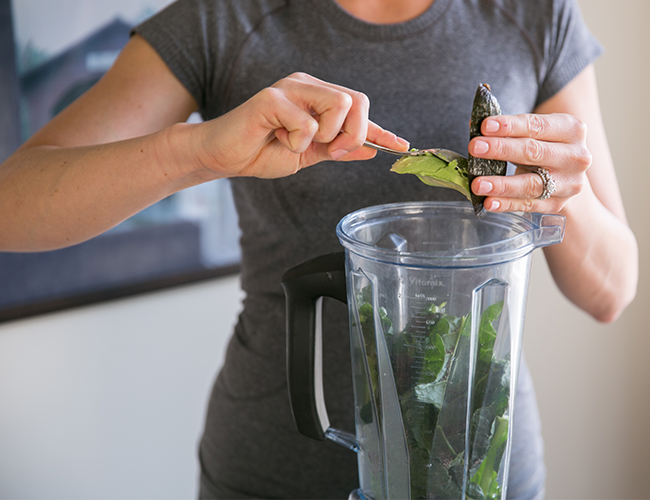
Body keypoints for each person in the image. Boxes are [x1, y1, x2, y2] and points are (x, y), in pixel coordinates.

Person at [0, 0, 638, 498]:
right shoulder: (222, 17)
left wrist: (558, 191)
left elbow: (611, 291)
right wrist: (199, 151)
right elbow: (13, 207)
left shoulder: (535, 13)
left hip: (481, 470)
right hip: (275, 470)